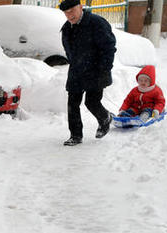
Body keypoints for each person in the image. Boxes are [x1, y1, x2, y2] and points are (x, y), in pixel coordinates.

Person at [59, 0, 117, 146]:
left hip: (96, 70)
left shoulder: (96, 23)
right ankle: (75, 135)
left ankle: (105, 118)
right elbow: (69, 49)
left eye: (72, 10)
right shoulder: (67, 28)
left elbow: (109, 47)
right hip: (76, 71)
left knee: (91, 102)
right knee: (72, 103)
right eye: (66, 12)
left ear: (81, 7)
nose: (69, 15)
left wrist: (104, 69)